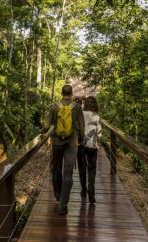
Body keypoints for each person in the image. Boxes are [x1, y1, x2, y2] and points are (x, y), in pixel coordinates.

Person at [45, 84, 84, 215]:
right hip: (72, 142)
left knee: (56, 168)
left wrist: (44, 131)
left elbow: (46, 125)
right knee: (68, 173)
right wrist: (81, 138)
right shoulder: (77, 107)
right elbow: (82, 126)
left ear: (61, 93)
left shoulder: (54, 106)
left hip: (57, 141)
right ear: (71, 93)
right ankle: (63, 205)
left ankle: (57, 195)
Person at [77, 96, 101, 204]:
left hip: (81, 145)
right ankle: (92, 194)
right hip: (92, 146)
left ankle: (83, 190)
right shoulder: (96, 116)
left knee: (82, 168)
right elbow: (99, 133)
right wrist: (98, 142)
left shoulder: (81, 114)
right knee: (92, 170)